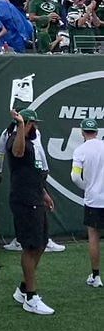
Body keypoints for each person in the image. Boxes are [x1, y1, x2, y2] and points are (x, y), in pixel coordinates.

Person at [6, 108, 56, 315]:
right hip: (24, 202)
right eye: (32, 123)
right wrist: (19, 125)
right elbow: (17, 152)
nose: (36, 127)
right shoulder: (15, 141)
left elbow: (33, 172)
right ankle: (31, 298)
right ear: (24, 124)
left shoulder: (31, 144)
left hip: (36, 198)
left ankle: (23, 289)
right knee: (30, 246)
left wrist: (44, 193)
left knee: (42, 244)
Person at [71, 117, 104, 288]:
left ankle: (96, 276)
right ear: (97, 132)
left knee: (93, 236)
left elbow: (75, 177)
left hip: (93, 200)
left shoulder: (80, 151)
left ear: (82, 132)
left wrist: (88, 187)